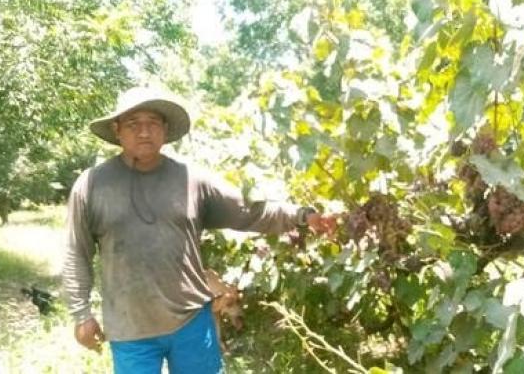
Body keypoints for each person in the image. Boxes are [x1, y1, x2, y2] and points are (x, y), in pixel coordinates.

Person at [62, 86, 336, 373]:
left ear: (165, 129)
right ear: (117, 130)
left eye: (153, 122)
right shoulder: (92, 185)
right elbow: (76, 252)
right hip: (130, 328)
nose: (144, 132)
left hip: (191, 323)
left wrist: (303, 216)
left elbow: (249, 211)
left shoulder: (191, 179)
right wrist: (81, 314)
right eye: (133, 123)